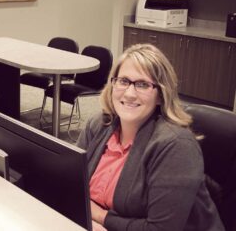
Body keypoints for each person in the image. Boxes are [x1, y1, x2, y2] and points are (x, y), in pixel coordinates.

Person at [77, 44, 224, 231]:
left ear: (161, 95)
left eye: (143, 84)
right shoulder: (98, 125)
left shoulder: (177, 146)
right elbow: (71, 182)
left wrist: (99, 216)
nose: (129, 93)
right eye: (123, 81)